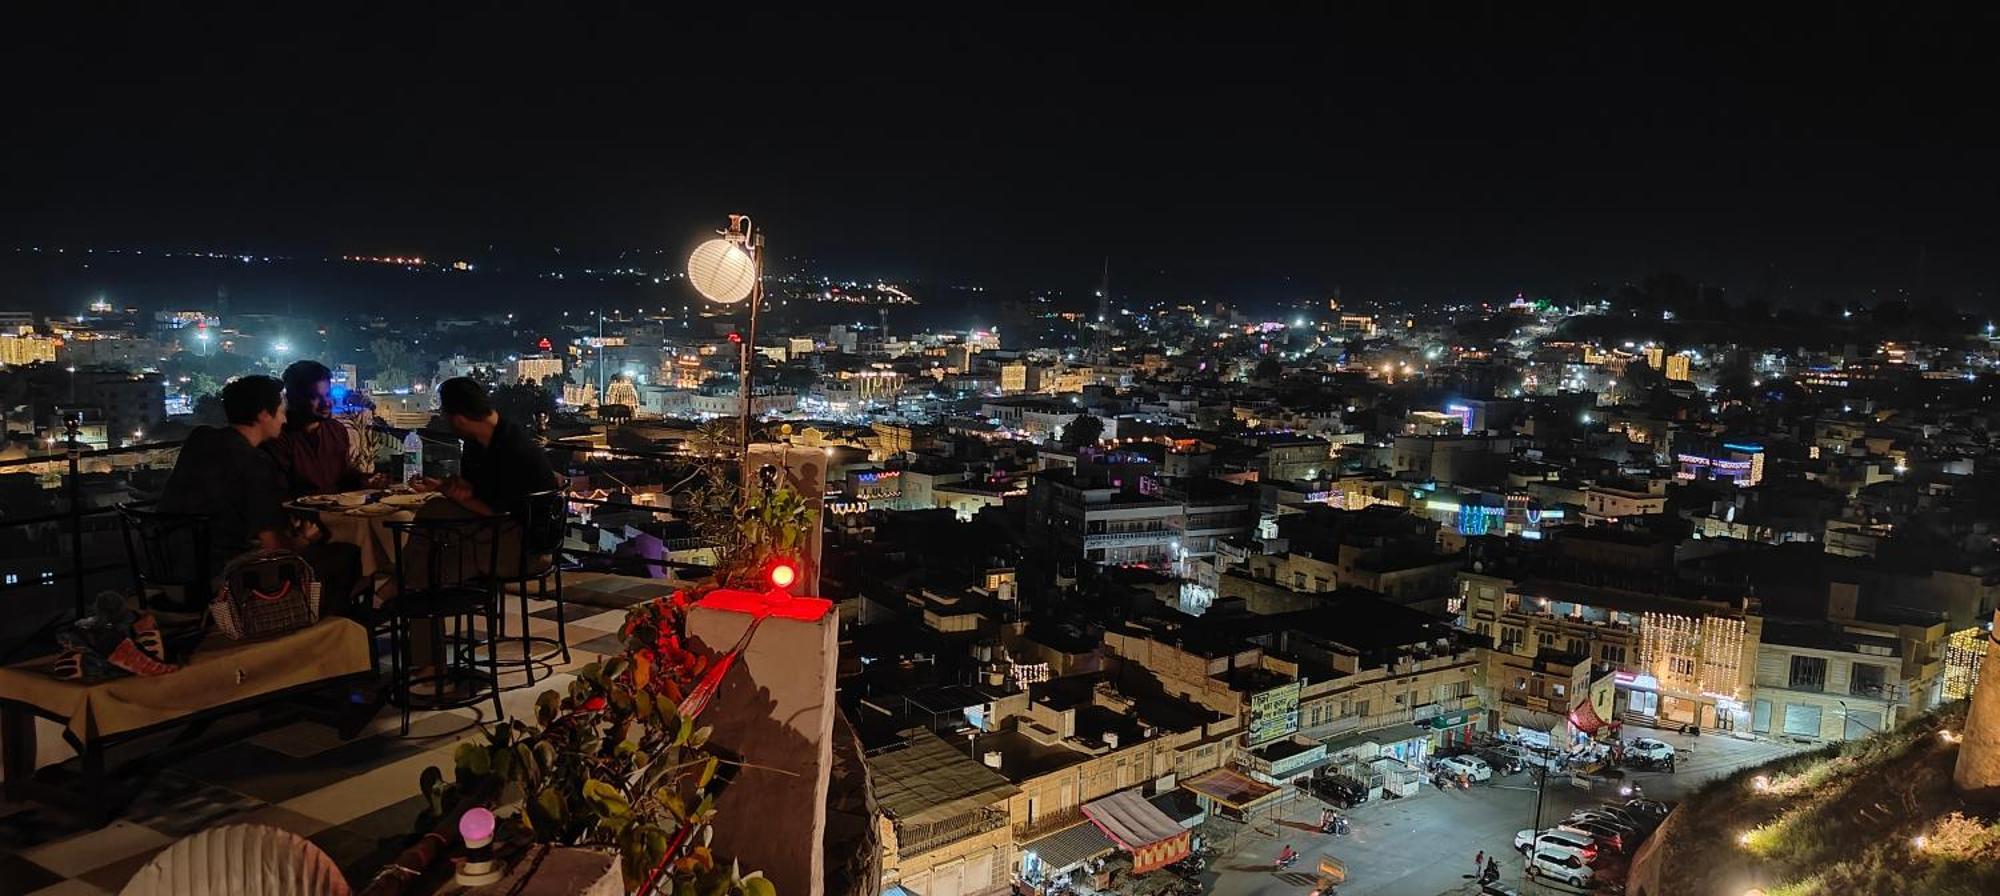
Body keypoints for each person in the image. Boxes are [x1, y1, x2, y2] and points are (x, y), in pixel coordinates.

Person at [157, 375, 364, 614]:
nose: (285, 419)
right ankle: (316, 625)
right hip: (218, 581)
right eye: (280, 411)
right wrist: (305, 538)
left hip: (166, 573)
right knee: (346, 555)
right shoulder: (255, 463)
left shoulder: (200, 439)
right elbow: (275, 549)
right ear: (264, 415)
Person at [267, 360, 390, 497]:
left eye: (327, 394)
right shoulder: (276, 437)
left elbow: (343, 477)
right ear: (293, 398)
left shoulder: (336, 431)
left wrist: (367, 481)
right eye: (315, 397)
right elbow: (276, 492)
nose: (326, 403)